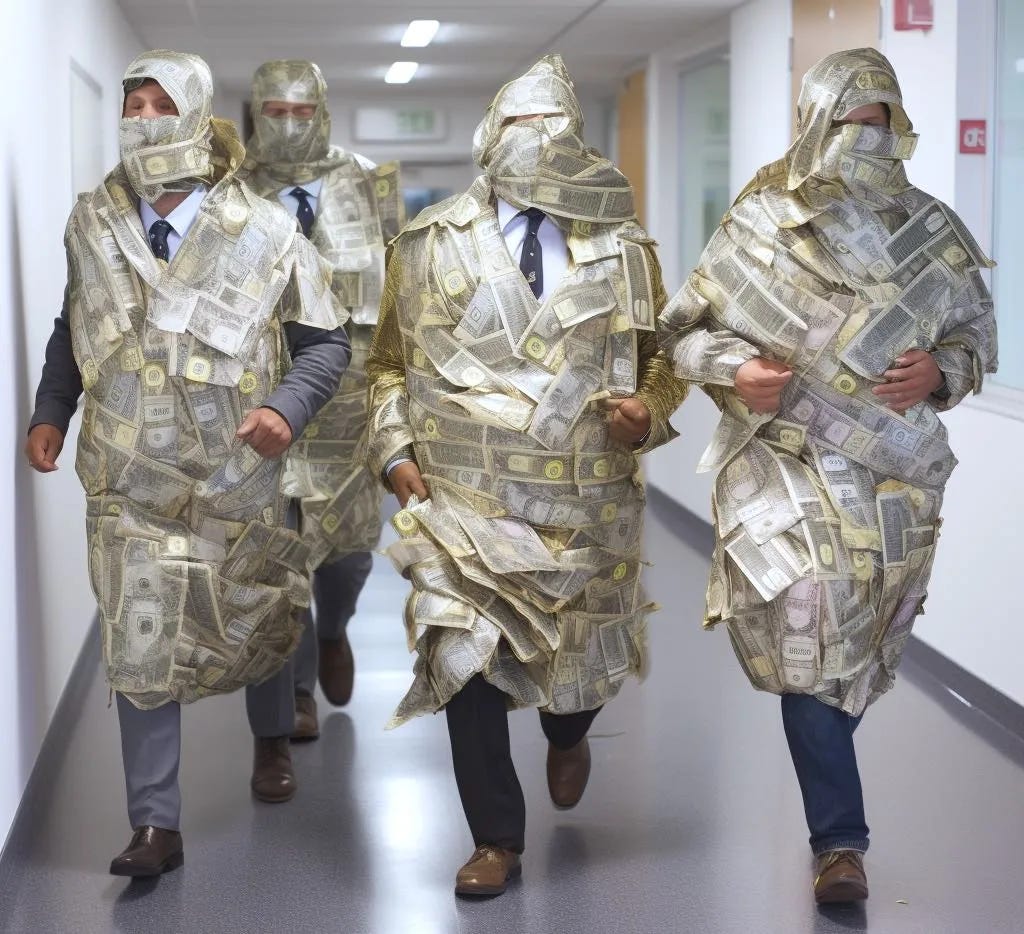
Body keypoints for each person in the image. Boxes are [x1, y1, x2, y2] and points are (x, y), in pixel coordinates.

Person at [657, 48, 997, 904]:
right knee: (806, 627)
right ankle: (839, 843)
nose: (865, 137)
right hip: (784, 463)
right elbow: (682, 334)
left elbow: (975, 336)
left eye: (880, 123)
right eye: (849, 122)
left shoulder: (935, 229)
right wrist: (734, 370)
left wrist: (943, 372)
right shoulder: (760, 222)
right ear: (813, 123)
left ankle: (831, 791)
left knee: (857, 649)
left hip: (894, 478)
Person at [366, 54, 686, 897]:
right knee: (462, 656)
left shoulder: (623, 248)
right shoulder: (426, 244)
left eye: (552, 124)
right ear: (488, 134)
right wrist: (395, 452)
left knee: (572, 680)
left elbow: (662, 360)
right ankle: (494, 840)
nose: (534, 139)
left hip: (584, 506)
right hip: (464, 504)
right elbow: (388, 366)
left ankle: (569, 733)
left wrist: (648, 411)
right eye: (517, 122)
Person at [24, 50, 349, 877]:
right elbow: (74, 325)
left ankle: (271, 740)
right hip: (127, 479)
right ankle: (154, 825)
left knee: (256, 618)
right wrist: (52, 411)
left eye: (160, 104)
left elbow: (324, 343)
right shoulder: (92, 223)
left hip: (236, 474)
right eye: (131, 105)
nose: (142, 119)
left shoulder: (267, 229)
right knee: (137, 639)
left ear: (198, 115)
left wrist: (286, 409)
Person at [240, 60, 404, 737]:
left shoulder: (370, 181)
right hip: (268, 394)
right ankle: (298, 691)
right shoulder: (232, 187)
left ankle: (335, 628)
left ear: (324, 112)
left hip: (352, 399)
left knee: (350, 549)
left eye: (301, 112)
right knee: (283, 551)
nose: (288, 124)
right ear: (255, 113)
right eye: (274, 111)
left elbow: (401, 289)